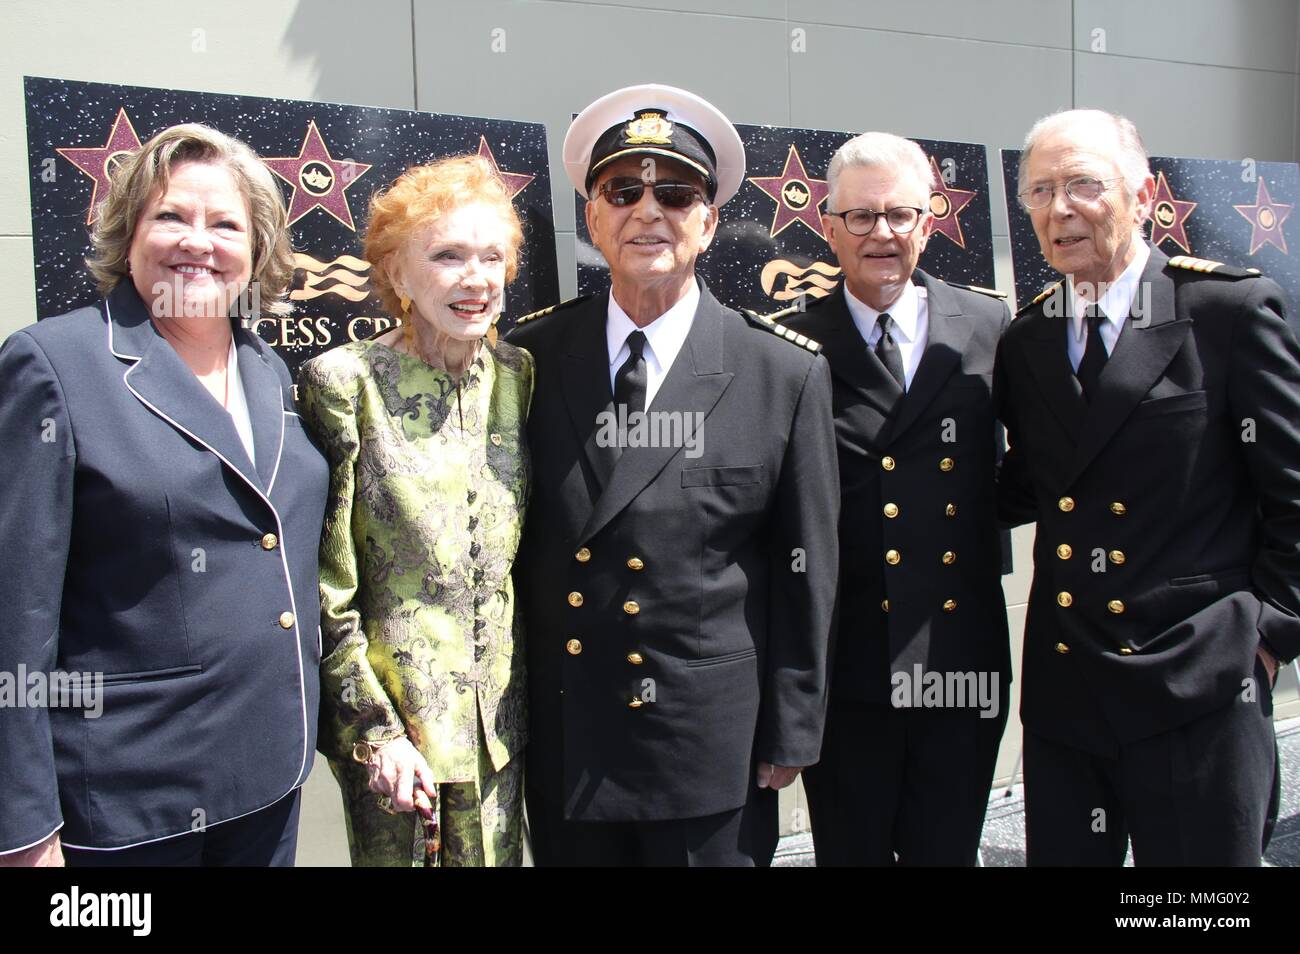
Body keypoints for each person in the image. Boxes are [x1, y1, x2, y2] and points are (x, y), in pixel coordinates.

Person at [507, 83, 839, 867]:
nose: (647, 212)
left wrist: (792, 730)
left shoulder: (780, 372)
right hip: (571, 738)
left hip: (705, 745)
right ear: (592, 217)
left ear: (710, 221)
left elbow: (808, 571)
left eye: (677, 193)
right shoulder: (531, 358)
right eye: (622, 191)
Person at [0, 124, 328, 866]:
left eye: (225, 225)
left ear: (257, 249)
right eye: (172, 217)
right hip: (129, 803)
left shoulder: (269, 370)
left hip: (269, 778)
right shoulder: (55, 364)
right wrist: (21, 830)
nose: (197, 242)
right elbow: (13, 614)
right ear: (129, 234)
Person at [996, 108, 1300, 865]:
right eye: (1039, 191)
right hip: (1069, 690)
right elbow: (1023, 484)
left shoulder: (1225, 310)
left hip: (1200, 682)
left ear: (1142, 193)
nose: (1059, 209)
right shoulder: (1029, 338)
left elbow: (1293, 488)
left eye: (1083, 185)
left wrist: (1267, 637)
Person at [781, 132, 1011, 865]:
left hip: (960, 658)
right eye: (861, 216)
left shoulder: (989, 327)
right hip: (849, 671)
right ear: (827, 225)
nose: (882, 233)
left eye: (900, 215)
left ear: (930, 220)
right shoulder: (790, 346)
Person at [298, 155, 532, 867]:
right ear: (397, 275)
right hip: (400, 747)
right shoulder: (345, 384)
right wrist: (374, 734)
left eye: (492, 256)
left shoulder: (519, 377)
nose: (476, 278)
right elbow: (325, 590)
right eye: (448, 256)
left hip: (502, 732)